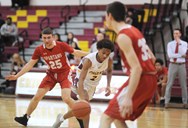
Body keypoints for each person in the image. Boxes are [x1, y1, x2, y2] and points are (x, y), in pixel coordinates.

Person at [5, 27, 88, 126]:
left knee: (66, 98)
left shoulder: (61, 45)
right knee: (37, 96)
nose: (46, 40)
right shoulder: (39, 49)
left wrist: (91, 54)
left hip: (64, 73)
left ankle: (80, 117)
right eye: (44, 38)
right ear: (42, 38)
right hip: (51, 74)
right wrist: (17, 76)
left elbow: (76, 52)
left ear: (53, 37)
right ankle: (25, 118)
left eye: (49, 37)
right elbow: (30, 64)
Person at [99, 2, 157, 128]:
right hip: (150, 78)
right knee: (117, 118)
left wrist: (128, 97)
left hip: (142, 78)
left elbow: (137, 68)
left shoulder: (123, 36)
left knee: (106, 117)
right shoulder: (134, 30)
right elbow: (152, 58)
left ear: (110, 16)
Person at [52, 39, 114, 128]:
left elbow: (109, 70)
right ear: (98, 49)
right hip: (81, 81)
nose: (105, 56)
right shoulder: (89, 60)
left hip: (93, 85)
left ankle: (61, 118)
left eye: (107, 54)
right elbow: (81, 79)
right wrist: (83, 96)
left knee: (82, 108)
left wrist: (108, 85)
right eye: (103, 52)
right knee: (86, 105)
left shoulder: (109, 60)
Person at [165, 28, 187, 108]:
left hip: (182, 65)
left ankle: (185, 102)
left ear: (180, 34)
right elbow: (170, 55)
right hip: (173, 64)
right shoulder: (170, 44)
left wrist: (179, 44)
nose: (176, 35)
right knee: (169, 83)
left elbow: (183, 52)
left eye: (177, 33)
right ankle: (166, 102)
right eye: (174, 34)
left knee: (183, 84)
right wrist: (181, 55)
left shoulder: (184, 43)